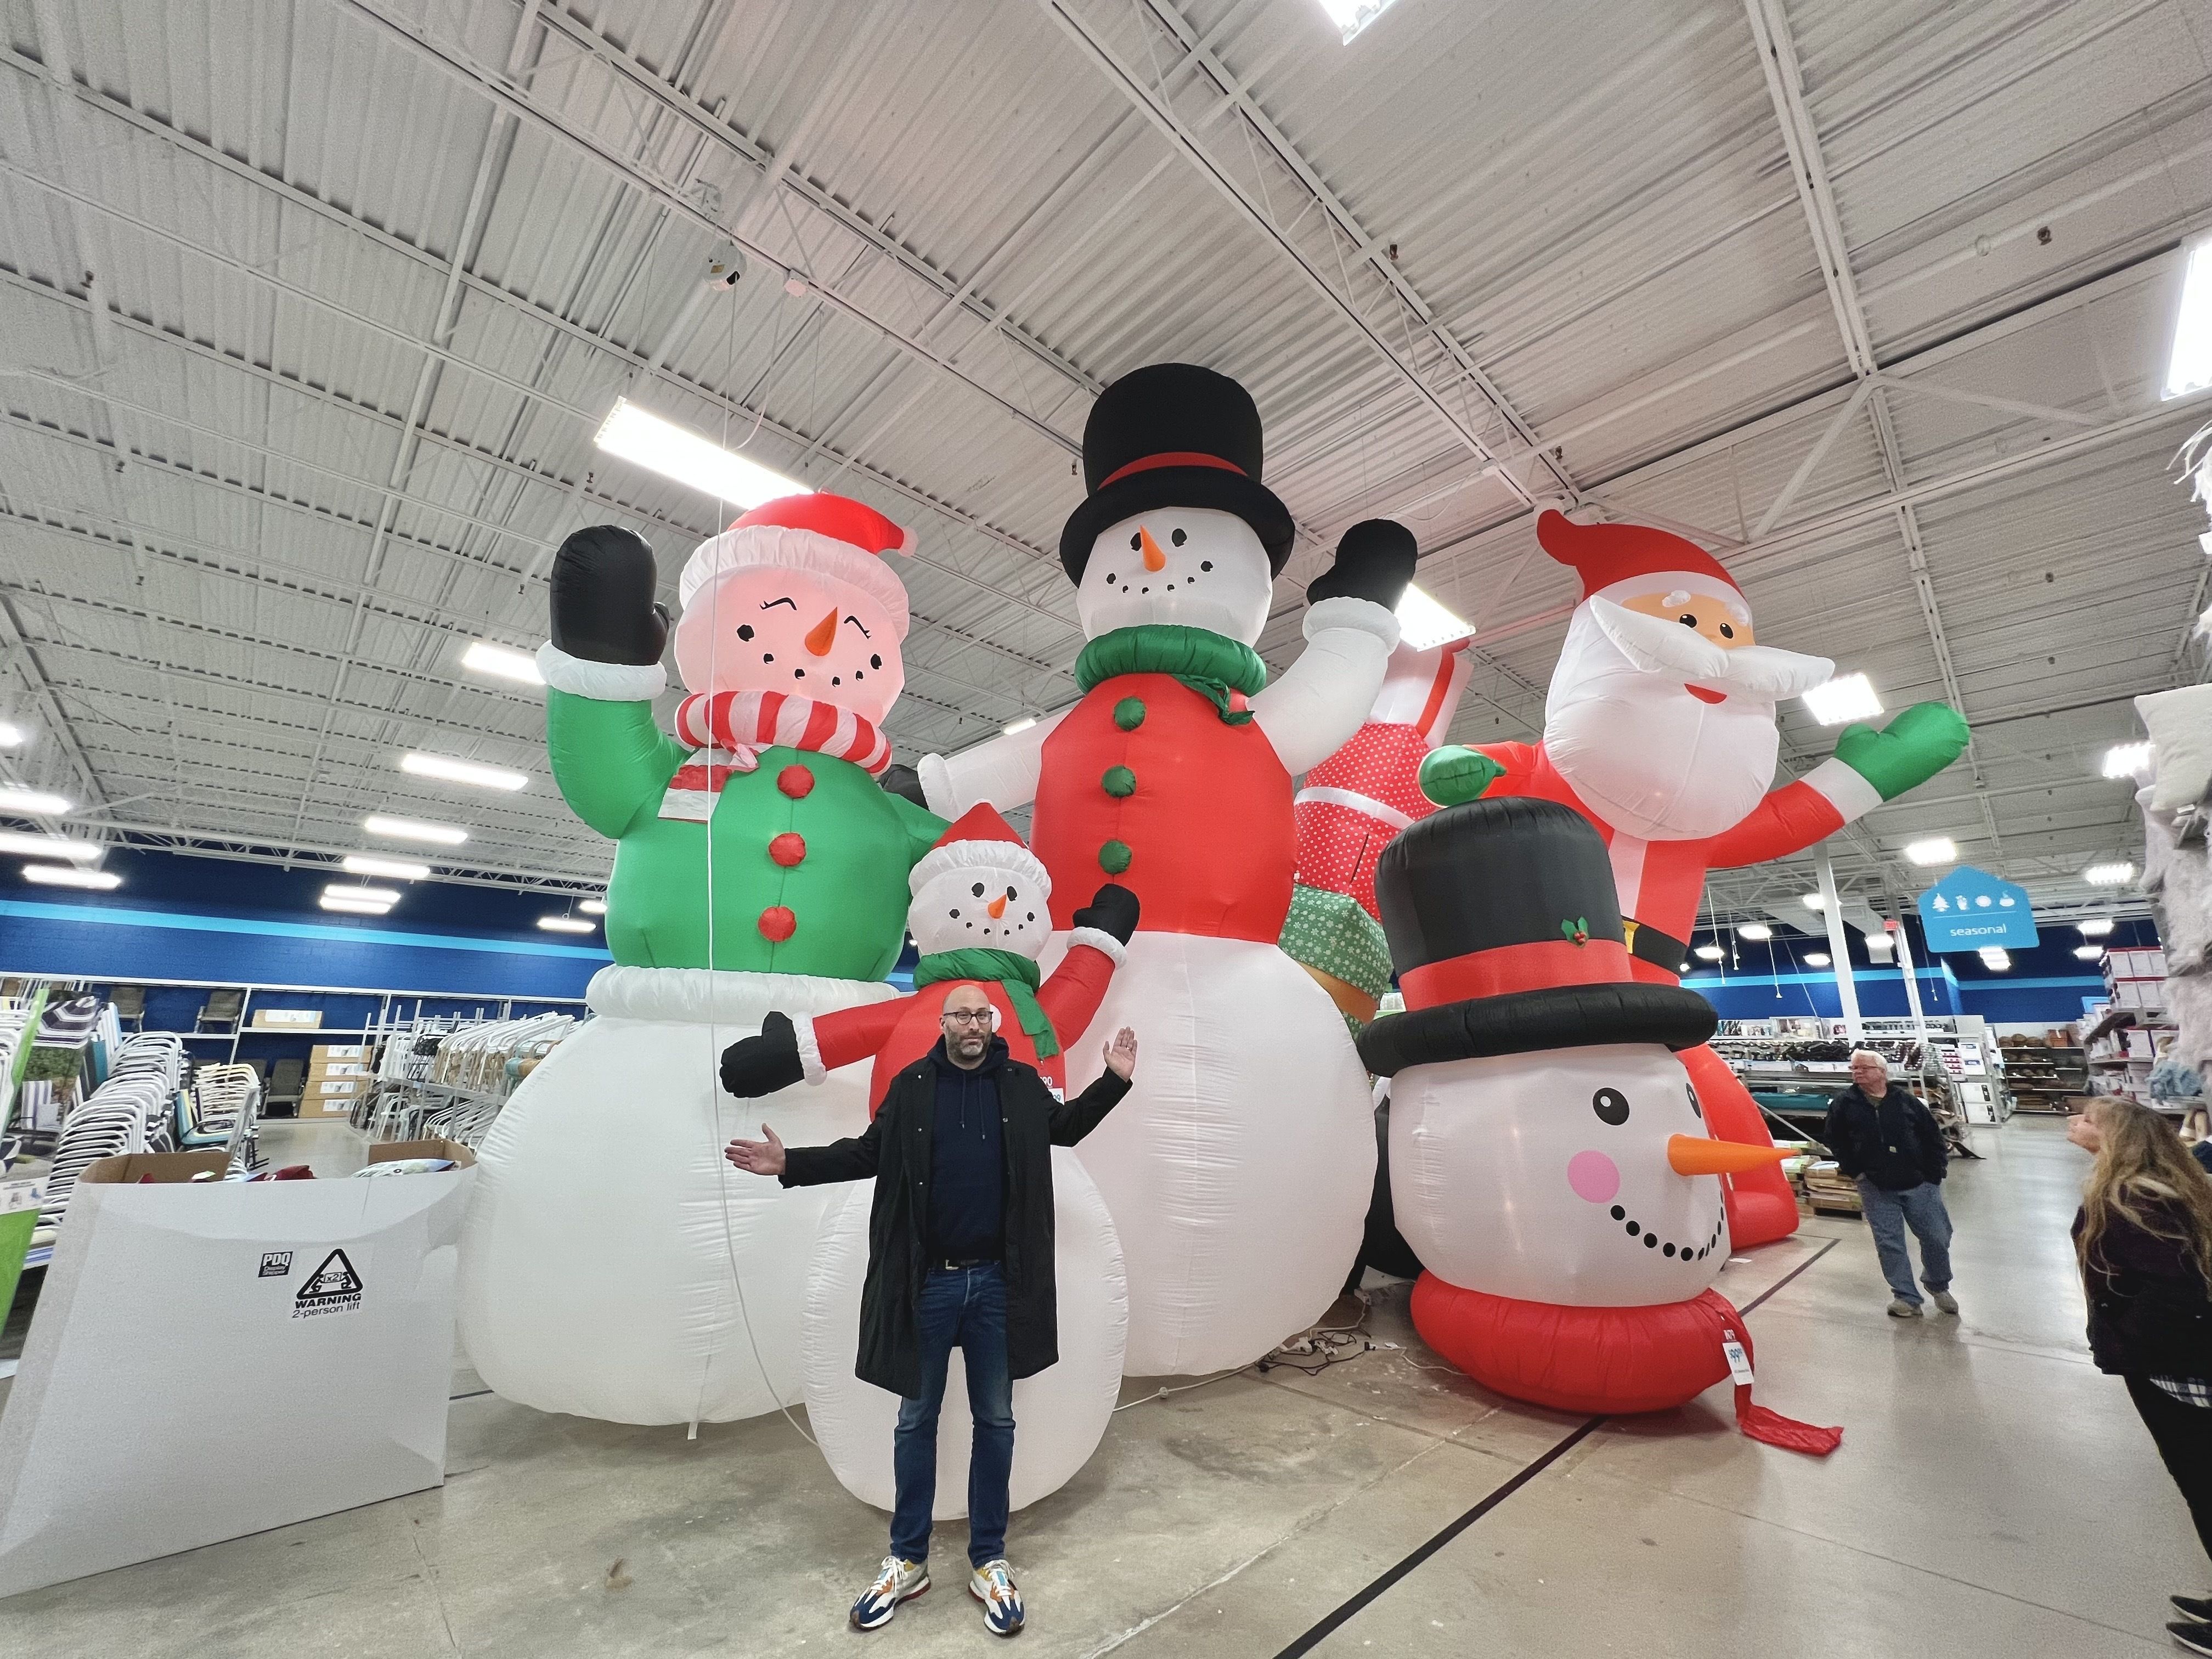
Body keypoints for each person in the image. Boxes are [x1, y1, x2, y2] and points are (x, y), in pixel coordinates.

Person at [724, 981, 1138, 1639]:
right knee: (915, 1419)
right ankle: (908, 1559)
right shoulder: (913, 1086)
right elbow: (867, 1153)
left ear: (993, 1023)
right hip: (929, 1284)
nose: (972, 1024)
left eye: (981, 1014)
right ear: (943, 1024)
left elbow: (1066, 1129)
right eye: (961, 1015)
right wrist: (789, 1163)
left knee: (996, 1419)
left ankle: (989, 1559)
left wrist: (1113, 1081)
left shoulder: (1022, 1084)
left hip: (999, 1285)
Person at [2066, 1098, 2212, 1655]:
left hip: (2179, 1374)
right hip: (2185, 1366)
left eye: (2088, 1118)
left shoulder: (2130, 1200)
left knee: (2204, 1489)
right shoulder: (2165, 1187)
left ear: (2117, 1137)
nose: (2074, 1121)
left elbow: (2176, 1296)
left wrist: (2128, 1343)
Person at [1822, 1049, 1957, 1318]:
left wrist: (1935, 1174)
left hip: (1920, 1183)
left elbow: (1932, 1138)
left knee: (1937, 1237)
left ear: (1882, 1072)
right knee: (1889, 1243)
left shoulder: (1907, 1102)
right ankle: (1906, 1297)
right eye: (1854, 1069)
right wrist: (1856, 1171)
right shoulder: (1844, 1104)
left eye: (1864, 1068)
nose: (1857, 1073)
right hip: (1876, 1186)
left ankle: (1938, 1284)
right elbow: (1834, 1139)